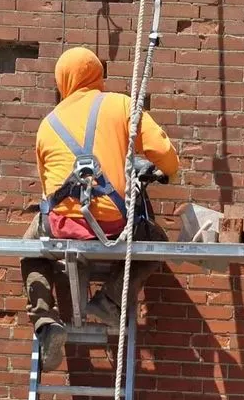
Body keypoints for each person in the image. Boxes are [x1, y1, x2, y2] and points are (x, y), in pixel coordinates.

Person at [22, 46, 179, 366]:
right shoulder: (120, 105)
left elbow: (47, 189)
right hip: (113, 225)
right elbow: (165, 154)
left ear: (62, 80)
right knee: (156, 242)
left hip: (63, 226)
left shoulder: (48, 124)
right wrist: (167, 171)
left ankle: (44, 320)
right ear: (98, 75)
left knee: (30, 247)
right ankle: (109, 298)